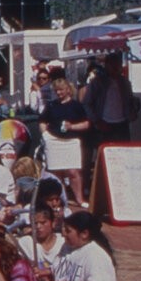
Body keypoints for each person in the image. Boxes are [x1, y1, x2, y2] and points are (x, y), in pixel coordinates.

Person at [41, 74, 91, 206]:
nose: (59, 92)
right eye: (56, 90)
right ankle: (61, 200)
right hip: (54, 141)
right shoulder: (51, 105)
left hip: (71, 141)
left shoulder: (76, 106)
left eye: (61, 89)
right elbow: (42, 122)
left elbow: (86, 124)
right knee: (57, 173)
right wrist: (46, 136)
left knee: (73, 172)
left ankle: (79, 199)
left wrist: (72, 126)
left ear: (68, 89)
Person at [19, 204, 66, 276]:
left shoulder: (63, 244)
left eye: (43, 223)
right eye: (35, 223)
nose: (38, 227)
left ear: (53, 223)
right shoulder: (25, 242)